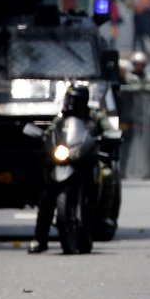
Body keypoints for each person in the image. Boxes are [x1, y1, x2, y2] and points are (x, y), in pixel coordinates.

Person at [29, 84, 114, 253]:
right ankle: (39, 238)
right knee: (47, 195)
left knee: (107, 174)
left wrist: (108, 137)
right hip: (65, 160)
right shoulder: (61, 118)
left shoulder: (95, 117)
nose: (71, 103)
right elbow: (51, 132)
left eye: (75, 99)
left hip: (88, 160)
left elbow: (109, 130)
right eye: (69, 99)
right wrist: (45, 137)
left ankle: (103, 217)